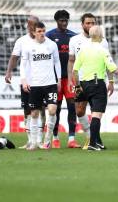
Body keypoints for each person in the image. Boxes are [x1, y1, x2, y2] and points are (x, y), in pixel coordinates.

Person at [72, 25, 118, 151]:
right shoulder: (102, 50)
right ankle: (92, 143)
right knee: (96, 115)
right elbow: (113, 69)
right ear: (101, 35)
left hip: (84, 85)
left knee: (94, 113)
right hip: (97, 84)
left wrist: (77, 86)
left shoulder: (83, 50)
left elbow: (74, 71)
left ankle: (98, 142)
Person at [68, 13, 111, 150]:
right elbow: (71, 60)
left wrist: (111, 80)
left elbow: (107, 61)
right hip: (80, 81)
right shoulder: (74, 40)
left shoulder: (103, 41)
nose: (91, 25)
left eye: (93, 23)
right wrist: (71, 79)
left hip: (98, 80)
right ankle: (93, 138)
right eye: (88, 23)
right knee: (79, 111)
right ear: (82, 25)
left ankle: (93, 139)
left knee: (96, 111)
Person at [4, 15, 46, 149]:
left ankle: (40, 139)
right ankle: (30, 140)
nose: (32, 26)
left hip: (43, 81)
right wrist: (9, 72)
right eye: (30, 24)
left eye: (35, 24)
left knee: (42, 110)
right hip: (27, 81)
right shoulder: (21, 41)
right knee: (27, 110)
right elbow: (14, 57)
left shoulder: (46, 41)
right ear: (28, 25)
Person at [20, 22, 61, 150]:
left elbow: (57, 62)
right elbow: (23, 65)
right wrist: (24, 80)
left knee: (53, 110)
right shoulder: (27, 46)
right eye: (39, 31)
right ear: (33, 32)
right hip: (35, 84)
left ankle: (47, 140)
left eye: (43, 31)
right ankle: (33, 142)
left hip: (50, 84)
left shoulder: (52, 45)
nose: (42, 33)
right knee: (34, 114)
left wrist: (58, 79)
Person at [45, 10, 79, 148]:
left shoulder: (73, 36)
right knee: (56, 108)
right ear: (56, 21)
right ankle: (55, 137)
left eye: (66, 20)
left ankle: (71, 139)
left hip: (70, 78)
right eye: (61, 21)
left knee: (72, 107)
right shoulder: (49, 36)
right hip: (55, 79)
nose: (64, 23)